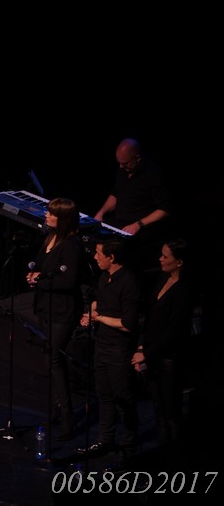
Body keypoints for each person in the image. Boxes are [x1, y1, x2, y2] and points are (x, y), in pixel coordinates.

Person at [25, 197, 85, 442]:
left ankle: (68, 415)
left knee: (54, 358)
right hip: (46, 306)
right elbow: (41, 266)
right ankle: (59, 408)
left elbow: (69, 281)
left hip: (63, 310)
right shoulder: (50, 238)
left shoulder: (72, 244)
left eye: (51, 214)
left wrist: (40, 280)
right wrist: (33, 275)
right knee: (49, 358)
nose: (46, 216)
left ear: (63, 219)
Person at [78, 237, 141, 461]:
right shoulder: (105, 277)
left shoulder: (129, 282)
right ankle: (105, 440)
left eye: (98, 254)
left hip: (118, 349)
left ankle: (129, 449)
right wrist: (90, 314)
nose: (95, 257)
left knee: (123, 400)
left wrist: (99, 318)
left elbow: (127, 324)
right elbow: (100, 302)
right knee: (104, 396)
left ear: (111, 257)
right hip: (102, 345)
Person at [130, 238, 192, 460]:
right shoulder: (162, 278)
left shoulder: (184, 290)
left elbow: (173, 332)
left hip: (169, 360)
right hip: (154, 355)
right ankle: (163, 456)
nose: (160, 259)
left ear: (179, 262)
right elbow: (151, 319)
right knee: (158, 410)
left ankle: (175, 460)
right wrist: (142, 345)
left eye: (165, 256)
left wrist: (146, 353)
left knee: (171, 414)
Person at [93, 138, 173, 280]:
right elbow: (115, 195)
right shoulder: (123, 170)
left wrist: (138, 224)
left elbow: (164, 209)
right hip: (121, 222)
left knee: (119, 249)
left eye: (125, 163)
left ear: (137, 158)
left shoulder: (154, 174)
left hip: (143, 228)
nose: (121, 167)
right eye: (119, 163)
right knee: (93, 233)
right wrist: (101, 213)